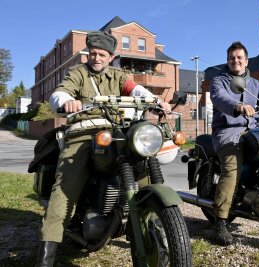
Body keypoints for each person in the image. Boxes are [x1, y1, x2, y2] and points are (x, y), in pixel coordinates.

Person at [36, 31, 170, 266]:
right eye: (93, 53)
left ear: (111, 57)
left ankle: (145, 222)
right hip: (82, 135)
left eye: (102, 55)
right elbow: (60, 92)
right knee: (65, 188)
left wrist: (155, 100)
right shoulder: (78, 73)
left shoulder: (118, 76)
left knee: (143, 164)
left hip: (115, 132)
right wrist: (66, 100)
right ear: (88, 54)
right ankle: (46, 257)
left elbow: (135, 89)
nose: (97, 58)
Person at [210, 41, 259, 245]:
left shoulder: (253, 83)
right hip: (228, 132)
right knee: (232, 168)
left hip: (253, 131)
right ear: (228, 61)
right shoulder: (219, 80)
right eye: (231, 58)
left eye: (239, 57)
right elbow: (220, 99)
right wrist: (238, 106)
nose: (235, 61)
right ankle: (220, 221)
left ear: (246, 61)